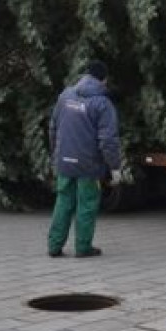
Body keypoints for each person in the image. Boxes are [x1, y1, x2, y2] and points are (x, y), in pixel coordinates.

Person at [46, 61, 121, 258]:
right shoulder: (103, 104)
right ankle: (83, 247)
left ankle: (54, 246)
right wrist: (115, 167)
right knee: (87, 204)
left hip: (64, 161)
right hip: (89, 165)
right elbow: (108, 140)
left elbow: (53, 127)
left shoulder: (65, 95)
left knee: (63, 201)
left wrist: (56, 154)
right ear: (104, 80)